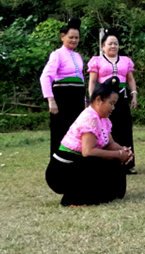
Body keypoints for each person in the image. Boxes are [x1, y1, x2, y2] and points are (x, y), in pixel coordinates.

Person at [45, 77, 133, 206]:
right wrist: (118, 154)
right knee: (95, 161)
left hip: (78, 163)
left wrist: (124, 151)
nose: (113, 108)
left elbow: (110, 143)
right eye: (111, 103)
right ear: (98, 100)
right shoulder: (89, 118)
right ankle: (73, 199)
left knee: (113, 164)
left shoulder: (103, 119)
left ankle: (103, 194)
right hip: (63, 170)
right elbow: (88, 151)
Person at [88, 29, 138, 174]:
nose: (113, 46)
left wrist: (134, 94)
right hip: (105, 98)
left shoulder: (125, 60)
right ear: (103, 46)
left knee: (125, 129)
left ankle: (128, 162)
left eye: (115, 44)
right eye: (110, 44)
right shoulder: (96, 61)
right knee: (108, 129)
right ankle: (111, 162)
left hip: (122, 97)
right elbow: (92, 81)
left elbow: (130, 79)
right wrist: (93, 100)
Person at [40, 18, 86, 157]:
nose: (74, 40)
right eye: (71, 37)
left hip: (77, 96)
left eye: (76, 38)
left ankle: (74, 160)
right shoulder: (57, 55)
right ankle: (58, 161)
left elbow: (81, 77)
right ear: (63, 37)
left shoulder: (78, 56)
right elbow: (45, 77)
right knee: (61, 130)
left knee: (77, 130)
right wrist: (51, 100)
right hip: (63, 96)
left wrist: (84, 100)